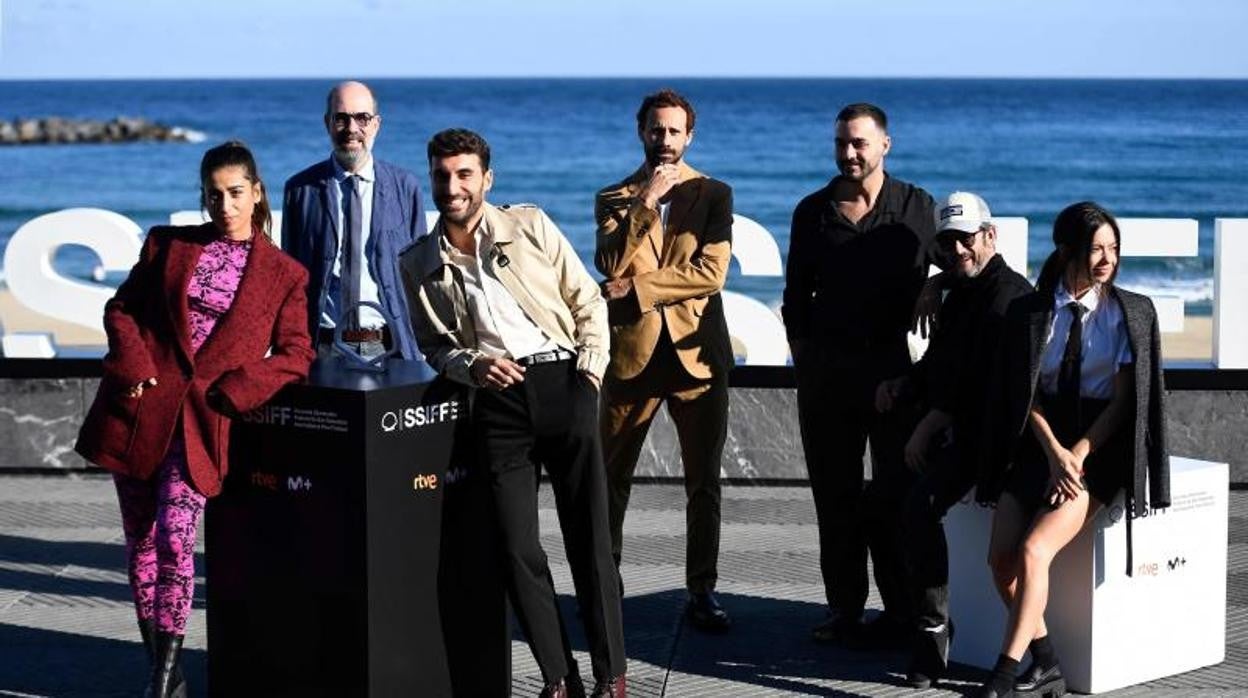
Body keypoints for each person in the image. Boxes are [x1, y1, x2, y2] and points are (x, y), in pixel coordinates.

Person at [74, 141, 315, 698]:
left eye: (235, 193)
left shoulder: (284, 275)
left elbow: (296, 353)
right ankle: (168, 672)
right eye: (214, 194)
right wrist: (133, 363)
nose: (224, 205)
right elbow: (121, 309)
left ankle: (160, 684)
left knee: (178, 543)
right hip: (138, 409)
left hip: (202, 422)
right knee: (141, 544)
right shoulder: (168, 244)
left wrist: (236, 389)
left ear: (256, 193)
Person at [399, 129, 626, 698]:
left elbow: (586, 300)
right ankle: (557, 677)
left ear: (485, 179)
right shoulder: (418, 262)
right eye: (442, 175)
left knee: (589, 539)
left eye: (464, 174)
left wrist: (590, 376)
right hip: (497, 404)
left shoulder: (529, 225)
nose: (452, 186)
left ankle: (611, 675)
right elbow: (433, 346)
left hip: (562, 381)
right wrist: (472, 365)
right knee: (515, 546)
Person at [975, 201, 1170, 698]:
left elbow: (1127, 398)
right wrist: (1053, 450)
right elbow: (1025, 397)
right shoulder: (1030, 313)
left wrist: (1077, 453)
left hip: (1097, 449)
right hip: (1040, 441)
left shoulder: (1132, 312)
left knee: (1034, 550)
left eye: (1113, 248)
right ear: (1066, 252)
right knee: (1000, 562)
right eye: (1095, 248)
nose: (1107, 259)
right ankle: (1045, 657)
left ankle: (1003, 674)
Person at [781, 102, 939, 646]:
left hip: (892, 373)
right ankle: (844, 610)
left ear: (885, 146)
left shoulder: (917, 205)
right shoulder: (812, 211)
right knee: (836, 496)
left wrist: (935, 284)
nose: (849, 153)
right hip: (828, 374)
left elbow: (958, 260)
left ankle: (903, 611)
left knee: (899, 494)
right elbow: (795, 295)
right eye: (842, 144)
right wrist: (807, 361)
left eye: (860, 144)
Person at [875, 192, 1032, 688]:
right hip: (960, 429)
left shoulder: (1007, 297)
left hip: (995, 443)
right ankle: (909, 616)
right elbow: (943, 363)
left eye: (966, 239)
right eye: (947, 243)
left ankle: (933, 628)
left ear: (990, 236)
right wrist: (904, 384)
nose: (957, 250)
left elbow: (979, 385)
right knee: (879, 499)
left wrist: (930, 422)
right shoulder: (964, 288)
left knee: (917, 505)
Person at [594, 89, 735, 632]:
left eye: (675, 131)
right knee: (611, 478)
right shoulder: (614, 197)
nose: (665, 140)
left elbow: (711, 274)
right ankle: (608, 584)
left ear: (689, 136)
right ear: (641, 132)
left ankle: (702, 590)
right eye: (657, 129)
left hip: (697, 360)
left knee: (703, 483)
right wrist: (645, 203)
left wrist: (634, 290)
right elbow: (609, 260)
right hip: (632, 358)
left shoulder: (714, 194)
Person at [282, 80, 427, 359]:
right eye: (341, 118)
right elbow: (291, 277)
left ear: (376, 125)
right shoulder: (300, 191)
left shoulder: (405, 188)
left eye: (362, 118)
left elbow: (418, 275)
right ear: (328, 123)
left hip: (389, 345)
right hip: (323, 346)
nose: (351, 129)